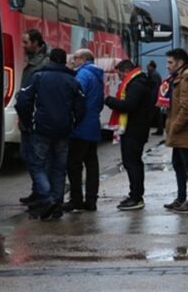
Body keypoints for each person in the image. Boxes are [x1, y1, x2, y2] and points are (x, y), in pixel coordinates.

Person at [15, 48, 86, 220]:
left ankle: (47, 199)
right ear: (64, 61)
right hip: (63, 130)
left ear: (50, 60)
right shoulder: (72, 80)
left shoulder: (38, 77)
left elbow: (23, 101)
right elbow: (81, 106)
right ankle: (57, 203)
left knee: (37, 165)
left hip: (41, 128)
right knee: (59, 168)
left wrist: (28, 121)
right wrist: (73, 122)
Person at [104, 60, 154, 211]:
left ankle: (136, 197)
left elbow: (129, 106)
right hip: (137, 128)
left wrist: (109, 100)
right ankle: (135, 194)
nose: (119, 78)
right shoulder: (139, 81)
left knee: (132, 163)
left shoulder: (136, 84)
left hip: (134, 129)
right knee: (133, 163)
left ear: (125, 71)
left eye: (119, 74)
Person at [162, 48, 188, 213]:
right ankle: (181, 199)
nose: (167, 66)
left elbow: (187, 109)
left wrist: (175, 126)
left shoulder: (185, 81)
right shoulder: (177, 79)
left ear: (180, 63)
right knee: (178, 165)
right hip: (179, 131)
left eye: (170, 62)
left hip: (184, 130)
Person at [64, 49, 104, 212]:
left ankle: (76, 199)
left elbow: (76, 98)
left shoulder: (82, 75)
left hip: (80, 126)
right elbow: (100, 102)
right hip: (93, 124)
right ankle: (91, 199)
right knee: (92, 163)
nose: (73, 61)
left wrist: (72, 119)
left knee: (74, 164)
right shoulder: (97, 75)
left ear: (82, 59)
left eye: (75, 58)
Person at [19, 29, 50, 206]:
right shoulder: (34, 61)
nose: (23, 46)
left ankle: (44, 195)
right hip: (28, 117)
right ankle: (37, 191)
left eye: (26, 42)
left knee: (37, 158)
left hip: (34, 118)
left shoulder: (42, 63)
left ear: (36, 42)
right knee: (28, 155)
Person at [146, 60, 164, 135]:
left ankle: (145, 130)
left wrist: (152, 100)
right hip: (156, 98)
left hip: (154, 98)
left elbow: (154, 88)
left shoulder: (154, 75)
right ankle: (160, 130)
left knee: (150, 116)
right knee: (157, 115)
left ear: (151, 66)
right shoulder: (154, 74)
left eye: (148, 66)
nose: (147, 67)